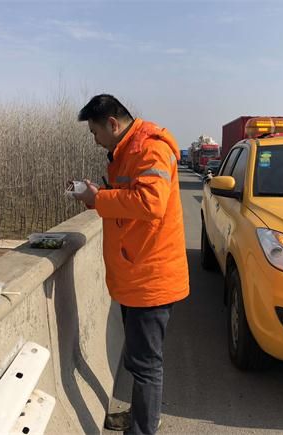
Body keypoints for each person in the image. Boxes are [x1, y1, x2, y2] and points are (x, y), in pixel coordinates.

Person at [73, 94, 189, 434]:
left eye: (95, 132)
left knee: (146, 365)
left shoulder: (150, 149)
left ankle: (143, 428)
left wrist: (100, 198)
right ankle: (142, 417)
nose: (95, 141)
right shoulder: (126, 152)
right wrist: (98, 198)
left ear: (112, 123)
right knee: (140, 361)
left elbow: (151, 203)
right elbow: (128, 203)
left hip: (150, 278)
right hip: (136, 274)